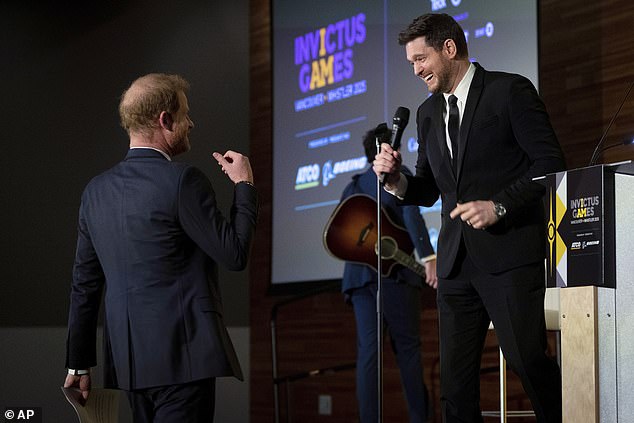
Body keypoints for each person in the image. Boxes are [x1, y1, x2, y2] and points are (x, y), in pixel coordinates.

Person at [372, 13, 565, 423]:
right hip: (455, 265)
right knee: (456, 388)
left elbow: (549, 164)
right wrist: (395, 181)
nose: (416, 70)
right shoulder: (426, 114)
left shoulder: (509, 91)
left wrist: (498, 205)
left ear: (449, 48)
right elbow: (428, 188)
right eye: (410, 64)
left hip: (509, 257)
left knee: (528, 362)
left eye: (421, 59)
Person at [63, 73, 258, 422]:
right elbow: (235, 254)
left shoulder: (94, 192)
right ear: (164, 120)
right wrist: (244, 186)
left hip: (129, 365)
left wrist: (78, 363)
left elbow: (85, 284)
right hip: (184, 361)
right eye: (185, 115)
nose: (191, 123)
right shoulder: (184, 181)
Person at [341, 125, 438, 423]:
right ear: (388, 150)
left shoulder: (353, 186)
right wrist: (430, 258)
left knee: (369, 353)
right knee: (408, 351)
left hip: (360, 281)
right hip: (397, 279)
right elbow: (411, 214)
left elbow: (342, 234)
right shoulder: (398, 175)